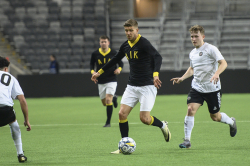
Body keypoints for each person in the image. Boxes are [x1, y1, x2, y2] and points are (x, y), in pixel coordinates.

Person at [91, 19, 171, 154]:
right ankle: (124, 146)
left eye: (131, 30)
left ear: (137, 30)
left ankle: (163, 125)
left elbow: (158, 57)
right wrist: (99, 72)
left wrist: (156, 75)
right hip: (132, 85)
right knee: (122, 114)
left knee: (144, 119)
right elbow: (115, 60)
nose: (128, 33)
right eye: (126, 31)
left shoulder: (144, 43)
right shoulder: (125, 45)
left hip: (147, 86)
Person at [170, 25, 237, 149]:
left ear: (203, 36)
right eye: (192, 36)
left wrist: (217, 73)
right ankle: (187, 141)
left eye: (196, 36)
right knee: (190, 109)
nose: (194, 39)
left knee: (215, 117)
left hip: (212, 88)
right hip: (197, 87)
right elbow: (192, 69)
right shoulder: (192, 53)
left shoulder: (211, 49)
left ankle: (231, 122)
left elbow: (224, 63)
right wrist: (182, 78)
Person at [0, 56, 31, 162]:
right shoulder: (11, 78)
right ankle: (20, 154)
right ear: (5, 69)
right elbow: (22, 100)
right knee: (14, 125)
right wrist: (26, 119)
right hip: (5, 110)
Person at [90, 35, 124, 127]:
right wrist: (93, 72)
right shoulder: (95, 54)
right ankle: (115, 98)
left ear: (108, 43)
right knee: (105, 103)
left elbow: (121, 63)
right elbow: (91, 66)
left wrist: (119, 70)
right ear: (99, 43)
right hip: (101, 81)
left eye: (105, 42)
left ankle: (108, 122)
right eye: (102, 42)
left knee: (108, 100)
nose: (103, 43)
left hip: (111, 80)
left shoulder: (113, 53)